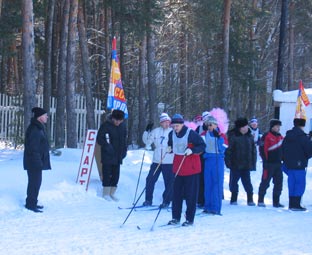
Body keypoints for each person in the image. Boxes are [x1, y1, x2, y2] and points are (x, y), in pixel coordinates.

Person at [167, 114, 205, 227]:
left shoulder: (191, 133)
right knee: (176, 195)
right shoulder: (171, 134)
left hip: (191, 168)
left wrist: (192, 150)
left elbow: (202, 145)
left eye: (177, 126)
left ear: (182, 124)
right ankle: (175, 217)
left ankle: (189, 219)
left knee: (190, 195)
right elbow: (171, 144)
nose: (175, 128)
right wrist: (170, 148)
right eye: (173, 126)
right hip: (178, 167)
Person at [142, 113, 174, 208]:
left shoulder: (172, 132)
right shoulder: (156, 131)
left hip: (168, 161)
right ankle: (148, 200)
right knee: (150, 180)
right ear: (161, 123)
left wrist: (172, 148)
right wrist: (146, 132)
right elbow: (147, 142)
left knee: (168, 182)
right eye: (164, 122)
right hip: (156, 161)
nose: (166, 124)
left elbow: (177, 144)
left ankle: (166, 201)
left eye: (168, 122)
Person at [23, 107, 51, 213]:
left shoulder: (38, 127)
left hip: (36, 162)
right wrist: (38, 162)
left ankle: (32, 202)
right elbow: (33, 148)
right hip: (34, 162)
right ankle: (30, 204)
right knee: (34, 183)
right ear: (39, 117)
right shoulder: (35, 129)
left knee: (36, 183)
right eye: (45, 115)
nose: (47, 117)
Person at [282, 118, 312, 211]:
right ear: (303, 125)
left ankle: (291, 203)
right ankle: (296, 204)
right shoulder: (303, 137)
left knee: (292, 183)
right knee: (299, 184)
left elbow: (282, 149)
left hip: (288, 164)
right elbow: (309, 151)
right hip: (300, 164)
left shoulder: (288, 136)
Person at [96, 109, 127, 201]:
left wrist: (124, 150)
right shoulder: (106, 125)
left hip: (118, 155)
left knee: (116, 175)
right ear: (112, 118)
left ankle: (112, 193)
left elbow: (124, 139)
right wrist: (106, 146)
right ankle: (106, 193)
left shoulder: (123, 126)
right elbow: (99, 139)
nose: (118, 122)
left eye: (120, 120)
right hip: (108, 154)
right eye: (116, 120)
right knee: (107, 173)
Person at [225, 117, 257, 206]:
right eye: (245, 126)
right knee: (233, 182)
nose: (247, 128)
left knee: (247, 182)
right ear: (240, 127)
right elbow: (228, 151)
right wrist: (228, 162)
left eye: (247, 126)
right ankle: (233, 198)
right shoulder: (233, 137)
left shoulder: (250, 137)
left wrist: (253, 163)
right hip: (235, 164)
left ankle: (250, 199)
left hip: (246, 164)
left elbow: (253, 151)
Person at [202, 116, 227, 215]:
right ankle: (207, 206)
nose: (209, 127)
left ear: (216, 125)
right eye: (208, 125)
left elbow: (224, 148)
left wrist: (219, 138)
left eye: (211, 124)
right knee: (208, 183)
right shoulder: (205, 134)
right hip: (208, 159)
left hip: (218, 160)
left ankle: (216, 207)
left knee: (217, 184)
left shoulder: (221, 135)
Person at [258, 119, 284, 207]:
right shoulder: (266, 136)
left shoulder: (280, 137)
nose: (278, 128)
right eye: (277, 126)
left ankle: (276, 202)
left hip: (278, 164)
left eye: (279, 126)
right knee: (265, 182)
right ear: (272, 127)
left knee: (279, 183)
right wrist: (265, 160)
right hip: (269, 164)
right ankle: (260, 200)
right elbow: (261, 149)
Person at [195, 111, 210, 208]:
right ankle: (200, 200)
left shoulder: (215, 128)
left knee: (210, 178)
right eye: (205, 119)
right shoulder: (199, 129)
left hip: (211, 156)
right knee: (201, 178)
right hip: (201, 156)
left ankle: (211, 199)